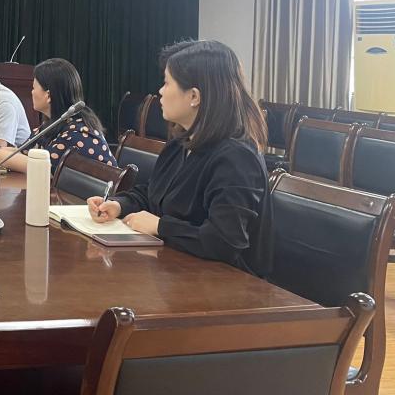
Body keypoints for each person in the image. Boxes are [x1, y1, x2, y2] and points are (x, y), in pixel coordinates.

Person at [87, 40, 270, 276]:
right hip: (178, 272)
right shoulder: (181, 142)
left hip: (226, 285)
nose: (160, 91)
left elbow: (223, 241)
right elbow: (154, 194)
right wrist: (118, 204)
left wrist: (160, 226)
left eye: (167, 83)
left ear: (194, 96)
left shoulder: (237, 157)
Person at [0, 58, 115, 172]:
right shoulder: (52, 125)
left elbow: (39, 167)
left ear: (48, 95)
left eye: (34, 88)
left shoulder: (78, 131)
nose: (31, 93)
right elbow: (21, 152)